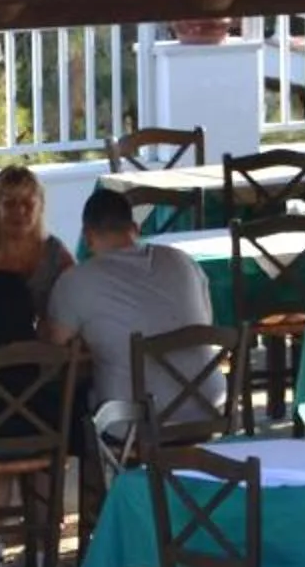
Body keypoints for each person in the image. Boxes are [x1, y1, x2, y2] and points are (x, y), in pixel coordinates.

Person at [45, 186, 220, 433]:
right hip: (207, 410)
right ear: (135, 229)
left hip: (136, 424)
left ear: (87, 236)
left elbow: (57, 348)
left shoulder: (76, 281)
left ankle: (106, 470)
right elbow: (204, 325)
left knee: (74, 400)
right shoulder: (184, 262)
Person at [0, 164, 74, 347]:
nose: (19, 211)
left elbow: (77, 304)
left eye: (28, 204)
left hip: (48, 358)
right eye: (9, 203)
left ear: (40, 206)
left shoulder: (55, 254)